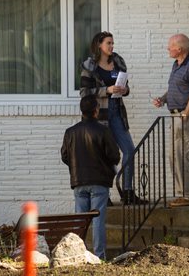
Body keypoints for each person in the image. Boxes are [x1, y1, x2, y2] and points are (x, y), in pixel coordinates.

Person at [80, 31, 145, 205]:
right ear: (99, 45)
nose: (112, 46)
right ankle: (104, 195)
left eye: (113, 43)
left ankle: (128, 192)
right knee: (102, 155)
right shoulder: (90, 67)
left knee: (129, 150)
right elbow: (84, 93)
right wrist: (105, 91)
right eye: (108, 43)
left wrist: (125, 90)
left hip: (117, 112)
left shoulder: (117, 62)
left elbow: (126, 86)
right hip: (100, 114)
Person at [61, 95, 119, 260]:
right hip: (99, 182)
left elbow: (65, 156)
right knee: (98, 221)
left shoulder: (70, 132)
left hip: (78, 181)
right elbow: (114, 155)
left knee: (80, 222)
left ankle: (78, 256)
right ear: (96, 111)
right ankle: (99, 256)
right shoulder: (103, 130)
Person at [152, 34, 189, 207]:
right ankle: (182, 193)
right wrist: (163, 99)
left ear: (179, 49)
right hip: (177, 115)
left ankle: (188, 195)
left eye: (170, 46)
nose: (168, 48)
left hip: (185, 116)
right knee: (174, 155)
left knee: (183, 155)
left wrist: (186, 114)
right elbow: (176, 90)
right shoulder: (176, 65)